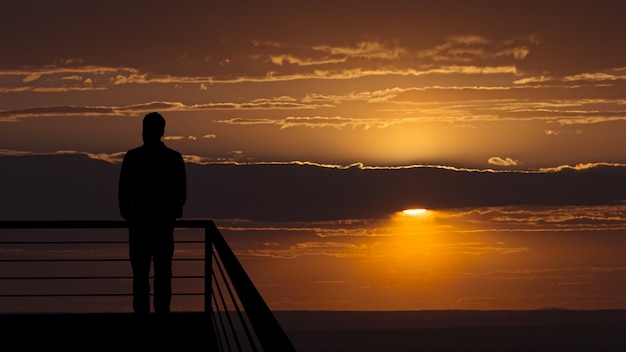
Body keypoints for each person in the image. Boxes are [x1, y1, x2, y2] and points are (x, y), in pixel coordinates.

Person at [118, 112, 187, 313]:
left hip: (141, 226)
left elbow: (123, 192)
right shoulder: (173, 158)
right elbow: (180, 194)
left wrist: (129, 214)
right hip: (162, 226)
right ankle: (161, 315)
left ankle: (143, 316)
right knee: (162, 274)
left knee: (142, 275)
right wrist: (170, 213)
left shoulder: (133, 157)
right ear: (162, 131)